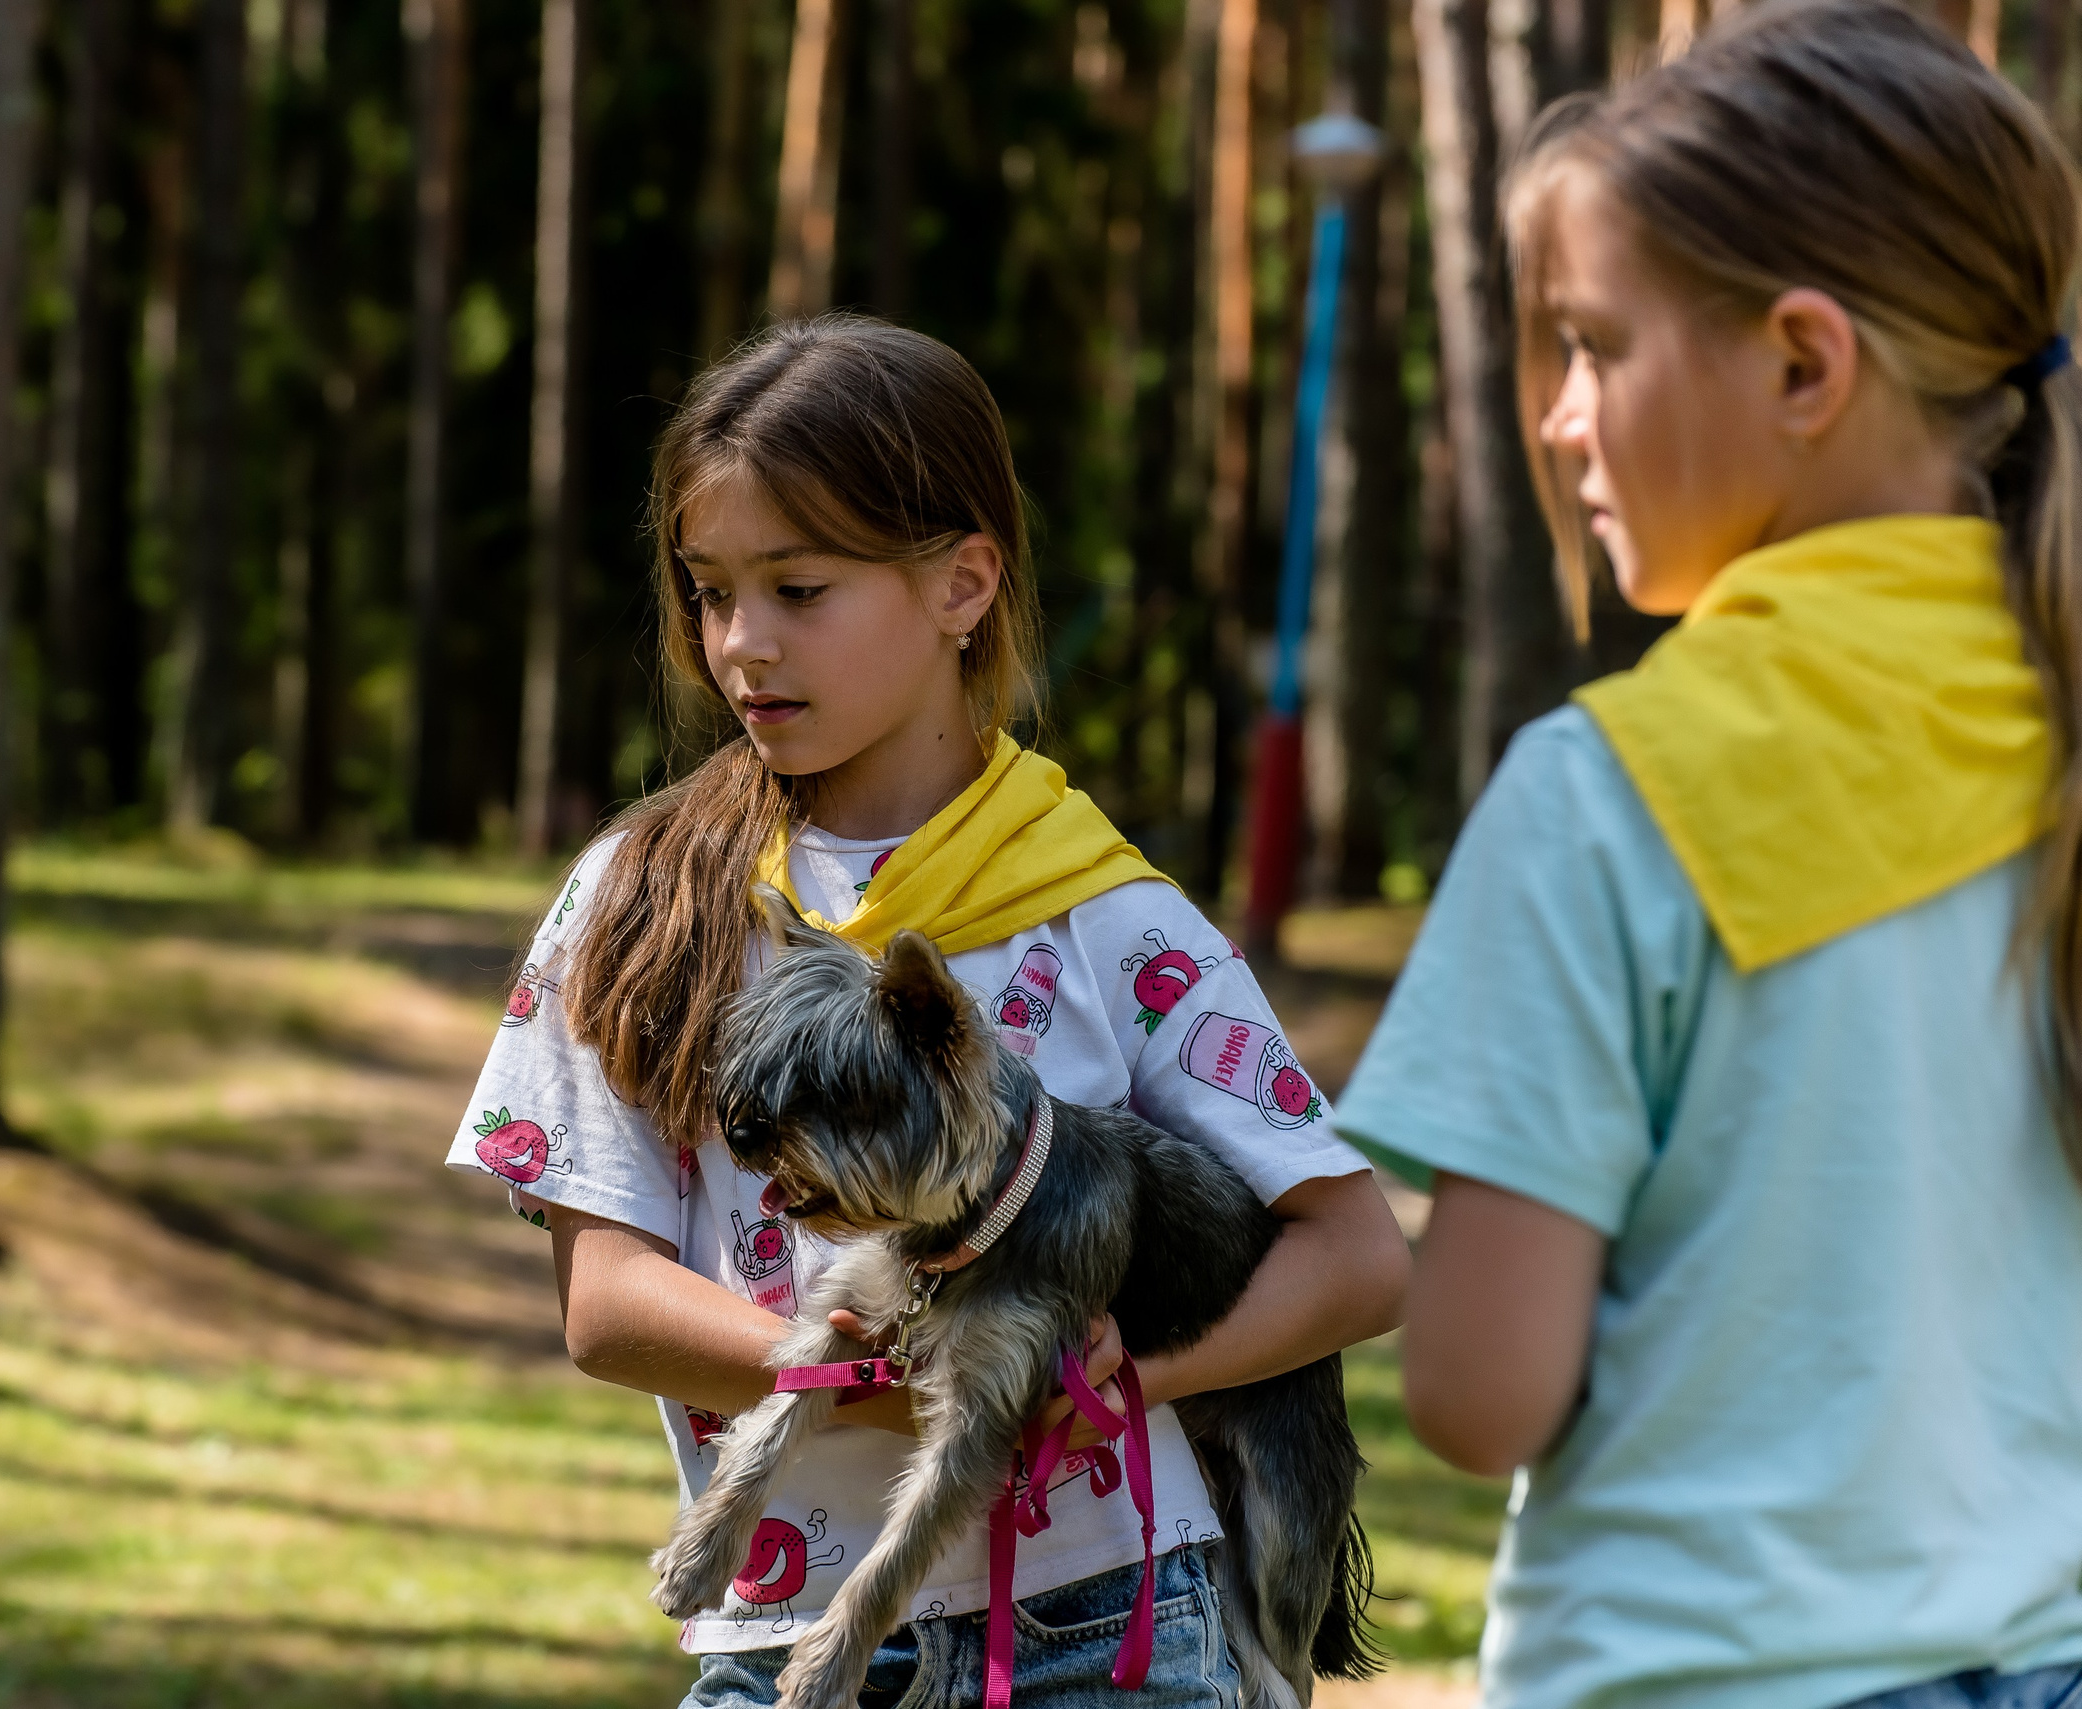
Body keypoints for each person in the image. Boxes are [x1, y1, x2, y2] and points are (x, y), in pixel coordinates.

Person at [445, 315, 1407, 1707]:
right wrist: (851, 1362)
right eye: (710, 591)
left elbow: (1359, 1257)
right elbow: (604, 1301)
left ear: (964, 582)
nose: (741, 644)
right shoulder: (639, 906)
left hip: (1117, 1633)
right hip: (785, 1643)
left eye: (800, 587)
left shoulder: (1104, 914)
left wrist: (1112, 1367)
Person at [1334, 5, 2082, 1707]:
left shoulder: (1607, 797)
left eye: (1597, 347)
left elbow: (1475, 1389)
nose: (1563, 419)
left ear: (1803, 367)